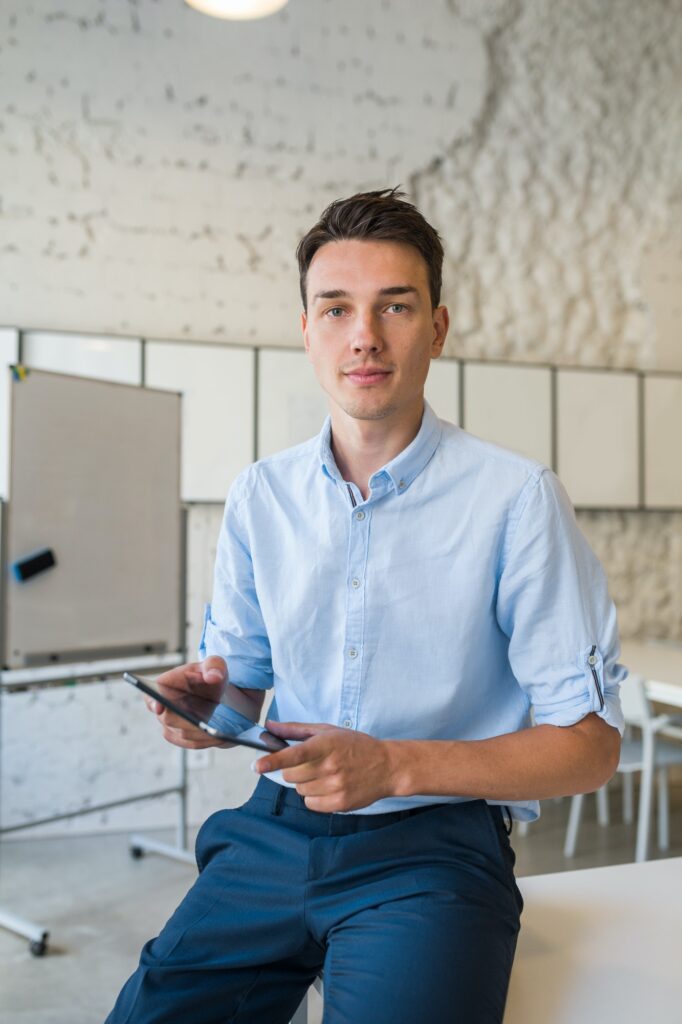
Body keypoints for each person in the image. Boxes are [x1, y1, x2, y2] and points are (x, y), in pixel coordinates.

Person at [106, 188, 625, 1024]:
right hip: (275, 826)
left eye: (395, 306)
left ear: (439, 328)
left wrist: (396, 765)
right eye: (337, 308)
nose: (365, 336)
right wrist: (212, 707)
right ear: (306, 328)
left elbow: (592, 747)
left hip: (435, 851)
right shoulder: (259, 496)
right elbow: (243, 684)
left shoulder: (516, 500)